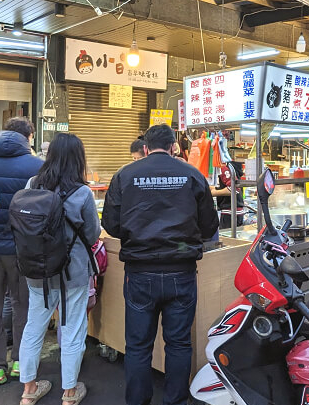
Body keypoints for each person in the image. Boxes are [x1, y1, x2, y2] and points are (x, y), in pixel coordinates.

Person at [102, 124, 220, 405]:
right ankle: (176, 401)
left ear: (145, 148)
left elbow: (110, 225)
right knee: (178, 344)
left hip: (140, 274)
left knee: (138, 346)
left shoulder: (125, 175)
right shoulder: (193, 175)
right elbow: (209, 227)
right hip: (181, 272)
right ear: (173, 147)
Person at [18, 133, 100, 405]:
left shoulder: (32, 184)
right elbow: (92, 233)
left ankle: (29, 389)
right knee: (73, 327)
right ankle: (69, 392)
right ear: (78, 158)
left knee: (34, 326)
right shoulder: (82, 192)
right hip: (73, 271)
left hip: (37, 270)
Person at [0, 117, 42, 385]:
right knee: (22, 305)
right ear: (29, 136)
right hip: (22, 248)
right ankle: (20, 363)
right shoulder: (38, 166)